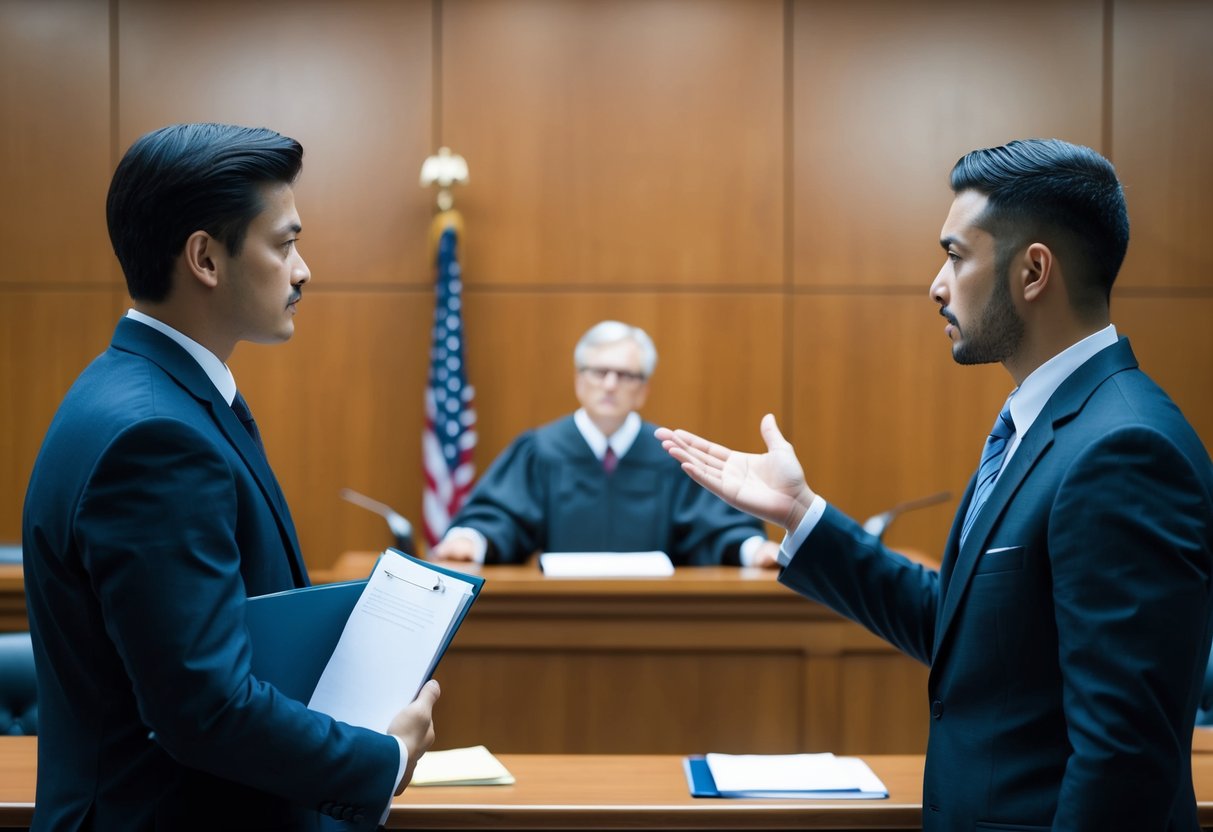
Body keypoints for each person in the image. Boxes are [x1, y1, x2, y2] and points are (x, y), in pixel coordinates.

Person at [658, 139, 1213, 829]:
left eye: (955, 255)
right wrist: (801, 515)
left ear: (1032, 270)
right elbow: (965, 627)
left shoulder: (1123, 449)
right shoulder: (1041, 424)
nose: (936, 284)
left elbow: (1123, 759)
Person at [22, 123, 440, 831]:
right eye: (284, 244)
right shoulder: (156, 436)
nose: (303, 271)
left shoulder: (141, 389)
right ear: (205, 259)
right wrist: (382, 758)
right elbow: (204, 708)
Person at [432, 320, 780, 567]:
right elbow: (501, 517)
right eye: (598, 372)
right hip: (560, 620)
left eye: (626, 375)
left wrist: (752, 549)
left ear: (644, 390)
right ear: (578, 380)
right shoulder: (541, 451)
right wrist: (472, 540)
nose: (610, 384)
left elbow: (713, 529)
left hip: (654, 622)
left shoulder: (671, 456)